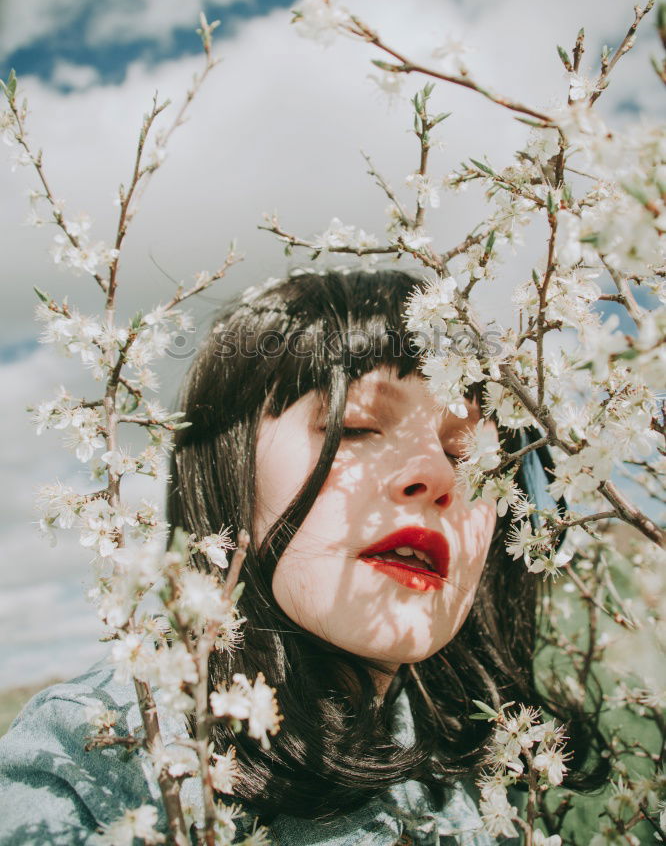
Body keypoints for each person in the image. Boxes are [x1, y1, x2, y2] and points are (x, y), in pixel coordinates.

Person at [0, 268, 603, 845]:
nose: (437, 473)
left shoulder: (483, 762)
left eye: (466, 452)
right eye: (357, 427)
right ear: (228, 467)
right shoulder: (93, 758)